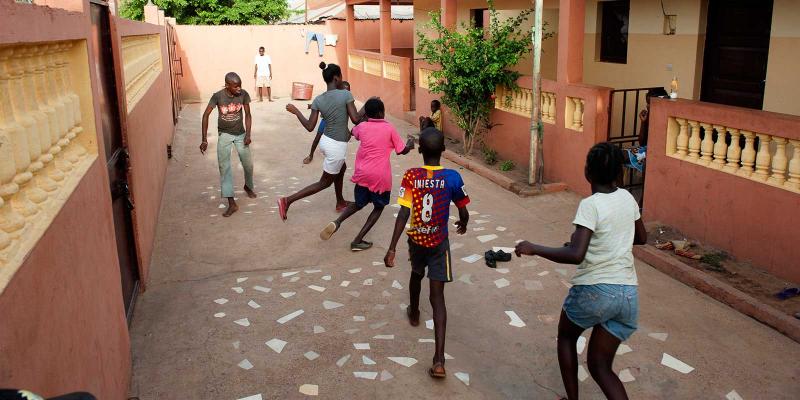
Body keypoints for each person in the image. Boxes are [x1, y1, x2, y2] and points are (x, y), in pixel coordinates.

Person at [514, 142, 647, 400]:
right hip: (628, 296)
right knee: (600, 367)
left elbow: (576, 255)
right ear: (619, 173)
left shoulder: (591, 205)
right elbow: (641, 237)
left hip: (595, 292)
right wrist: (605, 241)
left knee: (565, 337)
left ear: (588, 173)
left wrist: (534, 248)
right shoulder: (627, 198)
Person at [384, 127, 470, 379]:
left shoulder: (411, 176)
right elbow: (463, 208)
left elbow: (403, 214)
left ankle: (413, 310)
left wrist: (391, 247)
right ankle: (439, 360)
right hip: (438, 243)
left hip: (416, 241)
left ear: (419, 149)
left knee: (415, 273)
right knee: (438, 298)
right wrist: (463, 222)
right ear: (444, 150)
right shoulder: (453, 177)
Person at [320, 98, 415, 251]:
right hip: (380, 177)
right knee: (378, 207)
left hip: (362, 174)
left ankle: (337, 222)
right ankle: (357, 240)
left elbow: (353, 131)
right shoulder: (389, 128)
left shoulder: (362, 127)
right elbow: (401, 150)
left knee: (358, 203)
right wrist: (410, 144)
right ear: (381, 113)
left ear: (367, 114)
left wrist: (363, 119)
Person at [280, 63, 363, 219]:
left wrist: (296, 111)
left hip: (325, 141)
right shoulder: (345, 94)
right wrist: (369, 105)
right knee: (324, 183)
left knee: (341, 168)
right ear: (336, 78)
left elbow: (310, 127)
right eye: (341, 77)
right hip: (336, 146)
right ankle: (287, 201)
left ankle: (340, 202)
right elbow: (356, 119)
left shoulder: (319, 99)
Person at [200, 72, 257, 217]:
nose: (239, 89)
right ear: (227, 85)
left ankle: (248, 186)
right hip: (224, 135)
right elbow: (206, 115)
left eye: (240, 85)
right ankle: (232, 203)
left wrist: (248, 134)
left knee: (248, 164)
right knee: (224, 168)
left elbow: (248, 115)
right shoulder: (218, 96)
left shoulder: (243, 94)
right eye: (236, 86)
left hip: (240, 134)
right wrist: (204, 139)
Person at [304, 81, 351, 165]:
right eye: (345, 91)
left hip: (339, 125)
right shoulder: (335, 98)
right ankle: (311, 155)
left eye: (348, 91)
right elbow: (323, 103)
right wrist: (312, 106)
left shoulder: (348, 101)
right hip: (326, 121)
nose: (346, 93)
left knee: (338, 143)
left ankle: (336, 158)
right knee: (317, 137)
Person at [627, 88, 668, 171]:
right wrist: (643, 122)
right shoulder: (649, 116)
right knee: (615, 156)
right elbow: (641, 142)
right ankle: (618, 185)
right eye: (647, 103)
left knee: (646, 163)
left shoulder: (666, 117)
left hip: (656, 153)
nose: (647, 106)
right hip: (645, 150)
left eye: (650, 103)